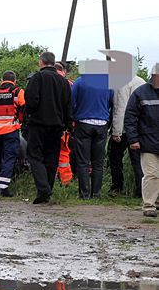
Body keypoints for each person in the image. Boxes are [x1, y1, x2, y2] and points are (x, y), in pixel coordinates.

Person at [24, 51, 73, 204]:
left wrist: (29, 114)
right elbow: (68, 105)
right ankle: (47, 191)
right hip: (57, 126)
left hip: (38, 124)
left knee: (35, 156)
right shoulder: (63, 82)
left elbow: (30, 100)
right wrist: (67, 124)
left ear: (41, 62)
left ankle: (43, 188)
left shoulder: (37, 78)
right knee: (52, 159)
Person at [71, 70, 114, 199]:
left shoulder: (79, 82)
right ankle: (96, 193)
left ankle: (84, 194)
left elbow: (72, 102)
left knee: (83, 161)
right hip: (102, 124)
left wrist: (72, 119)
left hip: (83, 123)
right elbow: (111, 103)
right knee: (98, 162)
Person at [124, 63, 159, 217]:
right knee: (151, 174)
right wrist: (133, 139)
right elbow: (130, 117)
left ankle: (157, 201)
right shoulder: (140, 93)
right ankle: (149, 205)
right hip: (148, 142)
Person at [110, 72, 147, 196]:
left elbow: (120, 108)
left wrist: (116, 131)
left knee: (115, 159)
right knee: (138, 161)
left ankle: (117, 187)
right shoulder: (142, 82)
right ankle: (141, 190)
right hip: (140, 129)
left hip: (124, 130)